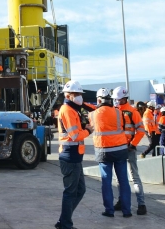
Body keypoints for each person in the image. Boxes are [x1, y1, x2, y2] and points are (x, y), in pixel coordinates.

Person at [55, 80, 93, 229]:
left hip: (74, 156)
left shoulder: (73, 109)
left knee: (79, 190)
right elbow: (75, 135)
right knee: (71, 192)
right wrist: (89, 130)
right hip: (70, 156)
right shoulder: (67, 110)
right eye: (76, 94)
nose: (79, 97)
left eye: (80, 94)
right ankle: (65, 224)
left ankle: (63, 221)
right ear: (68, 95)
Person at [90, 88, 132, 218]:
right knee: (123, 181)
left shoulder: (93, 114)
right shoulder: (119, 112)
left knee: (106, 182)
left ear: (98, 100)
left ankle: (109, 210)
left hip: (103, 151)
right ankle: (127, 211)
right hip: (120, 149)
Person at [111, 86, 147, 215]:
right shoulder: (113, 111)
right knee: (119, 178)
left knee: (134, 176)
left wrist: (133, 144)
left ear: (124, 98)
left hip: (129, 148)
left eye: (118, 99)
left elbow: (141, 130)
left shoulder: (132, 112)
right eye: (114, 99)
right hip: (118, 148)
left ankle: (141, 204)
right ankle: (122, 201)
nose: (115, 101)